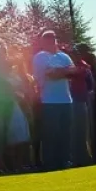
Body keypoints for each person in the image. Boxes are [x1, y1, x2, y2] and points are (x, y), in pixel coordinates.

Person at [32, 31, 76, 171]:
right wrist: (64, 71)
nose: (51, 42)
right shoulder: (40, 57)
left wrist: (59, 71)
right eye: (48, 39)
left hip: (66, 100)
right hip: (49, 101)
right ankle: (50, 163)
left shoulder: (64, 56)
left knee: (65, 133)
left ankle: (64, 161)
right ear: (43, 41)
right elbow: (50, 75)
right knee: (51, 134)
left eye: (53, 39)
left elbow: (74, 72)